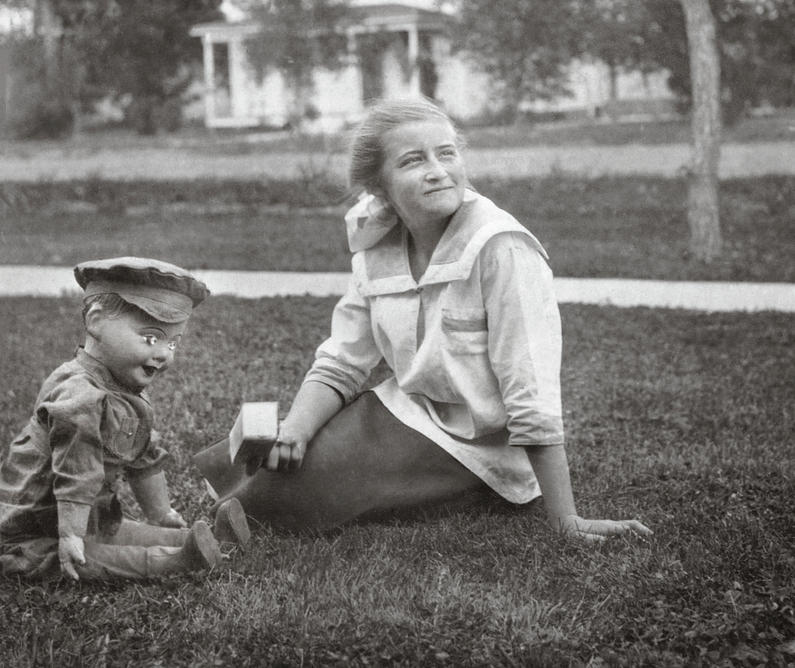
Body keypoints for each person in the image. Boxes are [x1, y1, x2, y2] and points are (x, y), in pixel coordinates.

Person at [198, 99, 652, 542]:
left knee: (291, 487)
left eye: (447, 153)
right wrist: (296, 428)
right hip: (403, 412)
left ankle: (473, 490)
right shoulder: (377, 247)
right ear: (379, 187)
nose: (438, 170)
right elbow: (342, 361)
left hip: (479, 443)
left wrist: (565, 519)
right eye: (413, 160)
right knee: (266, 455)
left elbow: (529, 385)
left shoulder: (501, 248)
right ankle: (241, 506)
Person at [0, 257, 250, 582]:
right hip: (32, 532)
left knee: (115, 534)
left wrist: (161, 514)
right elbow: (76, 471)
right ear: (96, 320)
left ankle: (208, 541)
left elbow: (144, 459)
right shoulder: (79, 394)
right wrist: (71, 535)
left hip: (92, 519)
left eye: (173, 342)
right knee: (89, 559)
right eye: (151, 338)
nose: (165, 354)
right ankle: (177, 560)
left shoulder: (128, 393)